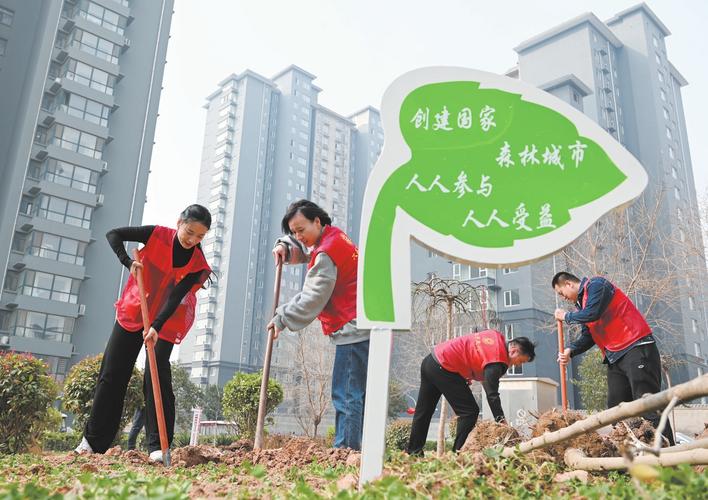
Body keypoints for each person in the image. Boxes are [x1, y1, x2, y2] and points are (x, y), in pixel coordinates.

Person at [75, 205, 213, 461]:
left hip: (167, 319)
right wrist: (128, 262)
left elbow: (175, 297)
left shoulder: (197, 263)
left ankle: (158, 447)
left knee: (157, 376)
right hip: (136, 306)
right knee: (113, 374)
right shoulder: (156, 234)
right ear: (179, 222)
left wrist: (156, 327)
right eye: (190, 232)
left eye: (200, 237)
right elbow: (113, 234)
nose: (192, 240)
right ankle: (92, 443)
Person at [267, 199, 368, 450]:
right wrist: (285, 247)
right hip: (361, 324)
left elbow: (313, 297)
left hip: (351, 327)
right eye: (293, 233)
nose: (299, 236)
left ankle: (345, 452)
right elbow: (309, 251)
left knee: (346, 395)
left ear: (317, 221)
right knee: (353, 394)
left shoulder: (326, 252)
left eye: (301, 230)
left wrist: (282, 317)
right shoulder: (335, 237)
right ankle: (350, 450)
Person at [552, 271, 674, 446]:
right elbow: (589, 336)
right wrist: (571, 350)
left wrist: (566, 316)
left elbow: (592, 313)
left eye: (561, 293)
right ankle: (629, 454)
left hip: (635, 346)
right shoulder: (583, 305)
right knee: (616, 408)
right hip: (615, 357)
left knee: (648, 403)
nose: (563, 298)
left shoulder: (596, 286)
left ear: (569, 284)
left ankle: (670, 455)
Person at [406, 330, 535, 455]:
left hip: (431, 361)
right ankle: (457, 454)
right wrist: (501, 421)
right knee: (469, 412)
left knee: (424, 411)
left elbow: (471, 352)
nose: (518, 365)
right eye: (521, 361)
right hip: (444, 367)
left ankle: (413, 452)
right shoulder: (497, 360)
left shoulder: (495, 337)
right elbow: (492, 394)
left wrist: (464, 376)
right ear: (514, 351)